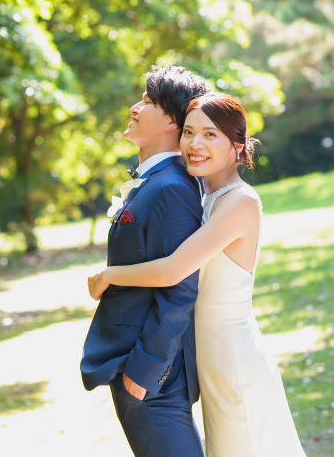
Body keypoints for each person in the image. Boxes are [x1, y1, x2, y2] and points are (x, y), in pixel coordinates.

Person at [88, 91, 306, 457]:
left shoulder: (241, 201)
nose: (195, 144)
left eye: (210, 134)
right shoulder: (204, 197)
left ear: (238, 146)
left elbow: (174, 269)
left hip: (231, 354)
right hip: (206, 352)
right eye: (188, 133)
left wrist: (110, 275)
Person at [80, 64, 212, 457]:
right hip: (132, 364)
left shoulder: (171, 189)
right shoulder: (154, 182)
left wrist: (147, 368)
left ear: (175, 121)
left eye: (149, 101)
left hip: (154, 376)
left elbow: (181, 285)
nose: (136, 107)